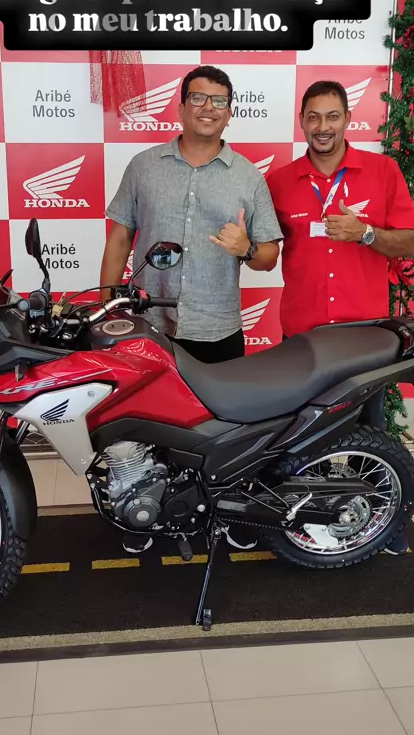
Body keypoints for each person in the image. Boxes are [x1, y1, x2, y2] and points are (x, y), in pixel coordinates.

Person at [101, 64, 283, 553]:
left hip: (217, 327)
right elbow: (119, 237)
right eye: (198, 98)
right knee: (147, 425)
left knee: (226, 434)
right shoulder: (144, 166)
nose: (208, 108)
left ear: (230, 113)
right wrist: (107, 303)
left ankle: (231, 511)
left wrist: (246, 248)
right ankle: (146, 512)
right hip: (148, 326)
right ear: (181, 106)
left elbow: (269, 256)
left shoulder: (247, 176)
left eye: (219, 101)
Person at [267, 79, 414, 555]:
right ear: (302, 121)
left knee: (371, 432)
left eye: (332, 116)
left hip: (363, 336)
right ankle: (286, 519)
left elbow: (410, 239)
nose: (323, 126)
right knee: (294, 434)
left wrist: (366, 233)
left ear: (348, 119)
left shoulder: (383, 171)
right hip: (302, 335)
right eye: (313, 117)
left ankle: (384, 522)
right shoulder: (279, 181)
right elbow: (265, 252)